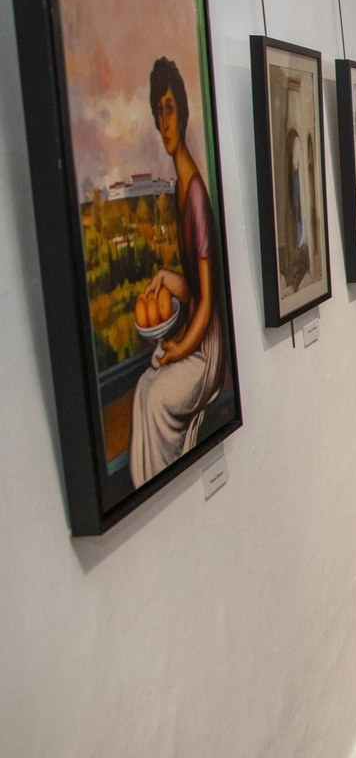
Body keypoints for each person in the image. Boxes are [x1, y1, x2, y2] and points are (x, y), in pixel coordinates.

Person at [130, 57, 228, 485]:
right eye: (158, 110)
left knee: (152, 399)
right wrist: (171, 279)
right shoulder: (179, 186)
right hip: (195, 336)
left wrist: (179, 349)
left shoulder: (195, 195)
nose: (163, 120)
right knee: (141, 392)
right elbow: (194, 286)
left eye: (169, 108)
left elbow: (207, 302)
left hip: (208, 349)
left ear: (183, 113)